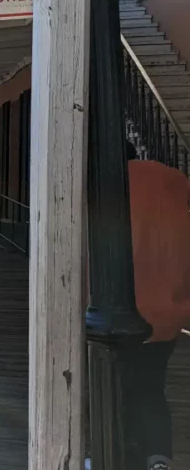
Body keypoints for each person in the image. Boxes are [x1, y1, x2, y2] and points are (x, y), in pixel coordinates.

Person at [122, 144, 190, 470]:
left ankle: (122, 450)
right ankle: (158, 458)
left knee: (117, 386)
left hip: (125, 310)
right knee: (152, 387)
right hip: (168, 314)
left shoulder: (115, 188)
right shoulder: (173, 189)